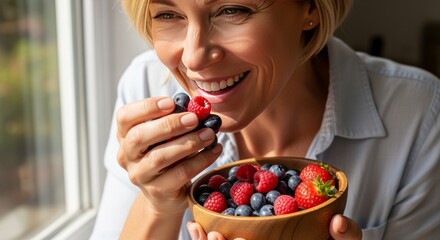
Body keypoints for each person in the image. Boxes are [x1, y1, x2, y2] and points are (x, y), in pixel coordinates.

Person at [90, 0, 440, 239]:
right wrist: (157, 205)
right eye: (168, 14)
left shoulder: (419, 114)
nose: (194, 57)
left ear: (310, 7)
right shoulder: (147, 88)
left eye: (232, 9)